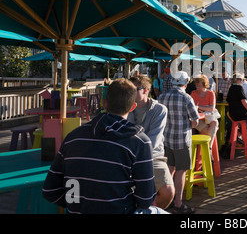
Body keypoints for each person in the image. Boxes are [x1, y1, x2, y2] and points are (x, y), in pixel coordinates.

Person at [42, 78, 166, 214]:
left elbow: (50, 190)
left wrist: (78, 203)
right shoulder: (139, 142)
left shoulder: (73, 137)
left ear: (104, 104)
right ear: (132, 107)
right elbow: (145, 199)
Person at [129, 75, 175, 210]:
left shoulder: (159, 109)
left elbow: (153, 141)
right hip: (128, 156)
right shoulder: (125, 107)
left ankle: (149, 210)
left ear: (146, 90)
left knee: (168, 193)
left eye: (135, 89)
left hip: (154, 156)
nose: (130, 92)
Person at [158, 71, 199, 214]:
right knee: (181, 171)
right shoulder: (186, 97)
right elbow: (195, 122)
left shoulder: (162, 96)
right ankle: (178, 203)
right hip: (182, 140)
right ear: (186, 83)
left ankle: (166, 198)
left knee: (170, 168)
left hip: (166, 138)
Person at [226, 73, 247, 137]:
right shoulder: (239, 87)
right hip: (240, 114)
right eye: (242, 80)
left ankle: (239, 134)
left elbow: (227, 99)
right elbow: (243, 101)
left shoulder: (231, 88)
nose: (242, 81)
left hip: (232, 114)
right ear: (237, 80)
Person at [191, 74, 219, 144]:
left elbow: (212, 109)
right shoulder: (193, 93)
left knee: (214, 123)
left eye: (200, 86)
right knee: (213, 130)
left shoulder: (210, 93)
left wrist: (198, 107)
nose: (198, 88)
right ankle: (209, 148)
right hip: (199, 119)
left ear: (205, 85)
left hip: (209, 117)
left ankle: (209, 147)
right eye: (197, 86)